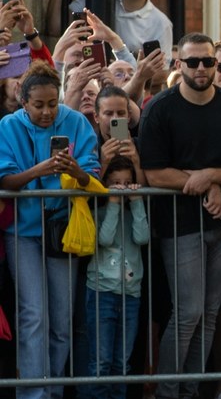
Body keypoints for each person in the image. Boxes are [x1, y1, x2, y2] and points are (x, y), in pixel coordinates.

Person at [139, 34, 221, 399]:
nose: (203, 69)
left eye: (209, 62)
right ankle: (168, 392)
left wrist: (213, 178)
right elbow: (155, 173)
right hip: (180, 226)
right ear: (180, 66)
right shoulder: (160, 108)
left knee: (208, 313)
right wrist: (207, 182)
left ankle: (190, 391)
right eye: (193, 63)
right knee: (187, 312)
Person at [1, 63, 100, 399]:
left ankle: (53, 391)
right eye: (39, 105)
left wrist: (77, 172)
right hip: (23, 232)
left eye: (52, 104)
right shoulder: (7, 125)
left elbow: (93, 177)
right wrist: (40, 170)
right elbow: (6, 181)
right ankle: (33, 394)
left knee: (61, 319)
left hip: (63, 230)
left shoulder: (76, 122)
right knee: (33, 315)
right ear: (22, 100)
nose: (47, 112)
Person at [78, 155, 149, 399]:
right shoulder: (99, 212)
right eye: (115, 183)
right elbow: (105, 239)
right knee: (101, 362)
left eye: (127, 183)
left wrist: (136, 202)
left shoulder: (134, 212)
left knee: (122, 363)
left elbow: (142, 237)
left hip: (130, 294)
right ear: (106, 183)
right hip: (101, 291)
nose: (121, 187)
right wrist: (113, 204)